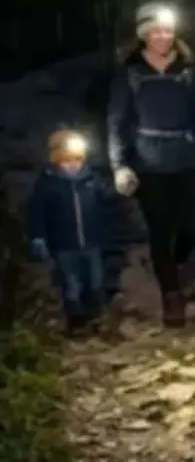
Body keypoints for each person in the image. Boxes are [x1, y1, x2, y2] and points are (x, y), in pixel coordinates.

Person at [106, 2, 195, 327]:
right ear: (144, 34)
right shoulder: (131, 73)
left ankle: (176, 269)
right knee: (160, 229)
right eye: (156, 31)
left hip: (186, 159)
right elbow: (116, 122)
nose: (163, 37)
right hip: (149, 163)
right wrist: (120, 164)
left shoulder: (188, 71)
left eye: (168, 30)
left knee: (189, 226)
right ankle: (171, 295)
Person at [27, 130, 110, 335]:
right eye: (66, 161)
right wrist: (39, 238)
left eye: (77, 160)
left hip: (92, 242)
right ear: (56, 161)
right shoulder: (48, 185)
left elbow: (106, 205)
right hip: (64, 245)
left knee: (96, 281)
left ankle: (97, 319)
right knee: (71, 284)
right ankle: (76, 323)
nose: (73, 164)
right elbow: (37, 213)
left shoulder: (92, 180)